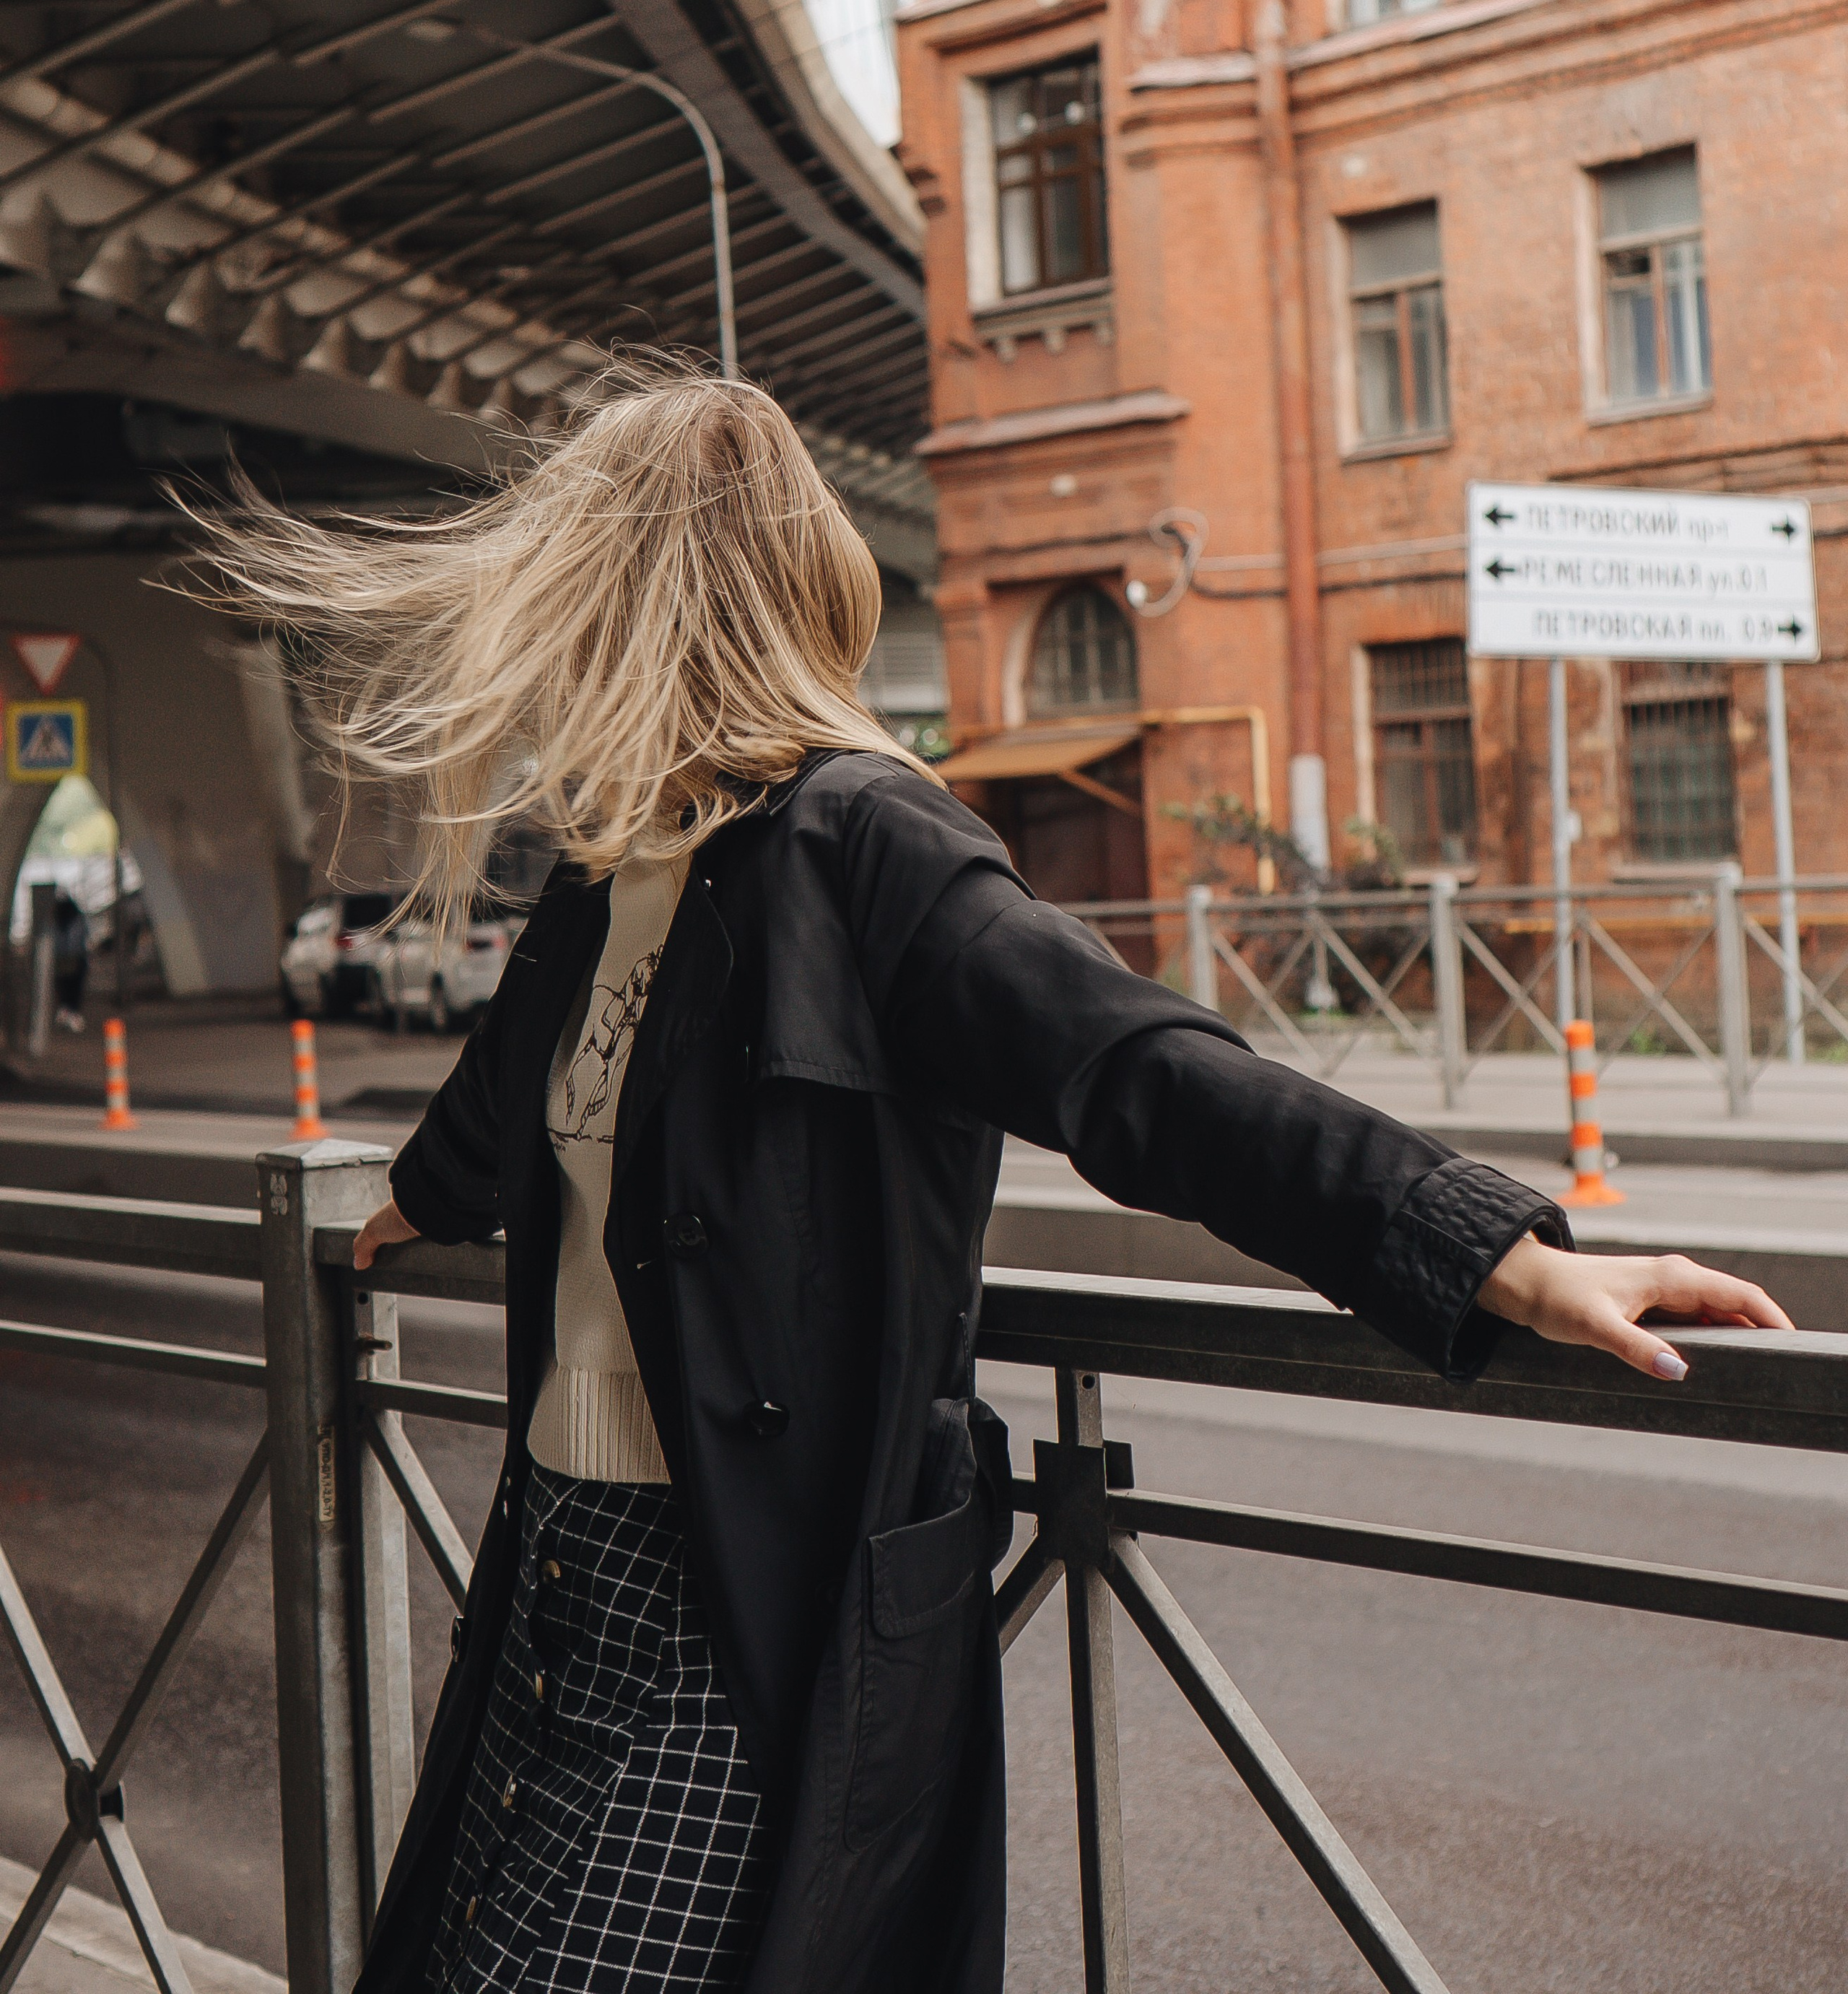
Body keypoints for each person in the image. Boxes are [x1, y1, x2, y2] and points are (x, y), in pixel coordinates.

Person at [196, 366, 1789, 1994]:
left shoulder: (865, 846)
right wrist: (406, 1202)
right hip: (558, 1561)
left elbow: (1139, 1071)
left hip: (754, 1590)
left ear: (648, 607)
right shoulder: (611, 867)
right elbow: (512, 1107)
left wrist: (1489, 1254)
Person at [51, 887, 89, 1034]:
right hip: (77, 958)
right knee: (75, 988)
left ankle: (65, 1011)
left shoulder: (55, 919)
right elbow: (84, 936)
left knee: (63, 987)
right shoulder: (78, 918)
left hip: (61, 960)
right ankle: (72, 1014)